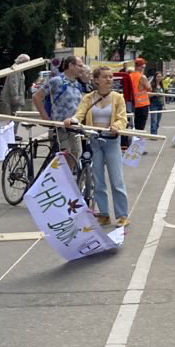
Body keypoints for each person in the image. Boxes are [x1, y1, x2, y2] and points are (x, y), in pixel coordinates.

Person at [67, 65, 129, 227]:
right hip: (94, 140)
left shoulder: (118, 97)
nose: (109, 79)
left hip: (111, 141)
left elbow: (123, 118)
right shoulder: (88, 98)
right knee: (98, 180)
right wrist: (72, 121)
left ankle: (122, 215)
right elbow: (79, 114)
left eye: (110, 77)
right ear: (96, 80)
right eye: (105, 77)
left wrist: (117, 126)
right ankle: (103, 213)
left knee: (117, 180)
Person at [36, 57, 89, 161]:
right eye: (79, 66)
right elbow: (37, 97)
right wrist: (45, 117)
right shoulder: (56, 81)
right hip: (60, 128)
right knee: (63, 158)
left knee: (76, 155)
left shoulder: (78, 85)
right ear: (70, 66)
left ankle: (68, 176)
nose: (82, 69)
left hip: (74, 128)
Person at [1, 53, 33, 119]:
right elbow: (13, 84)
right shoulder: (15, 69)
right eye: (26, 62)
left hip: (16, 98)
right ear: (22, 62)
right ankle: (13, 129)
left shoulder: (19, 69)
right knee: (15, 118)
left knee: (16, 118)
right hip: (13, 99)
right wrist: (15, 96)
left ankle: (14, 129)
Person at [145, 63, 165, 137]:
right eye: (158, 76)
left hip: (160, 104)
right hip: (154, 104)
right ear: (155, 77)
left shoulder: (162, 85)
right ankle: (153, 134)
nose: (159, 78)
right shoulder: (152, 85)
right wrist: (155, 94)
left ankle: (155, 132)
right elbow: (148, 95)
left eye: (160, 76)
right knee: (154, 120)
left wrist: (164, 105)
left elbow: (163, 96)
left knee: (158, 121)